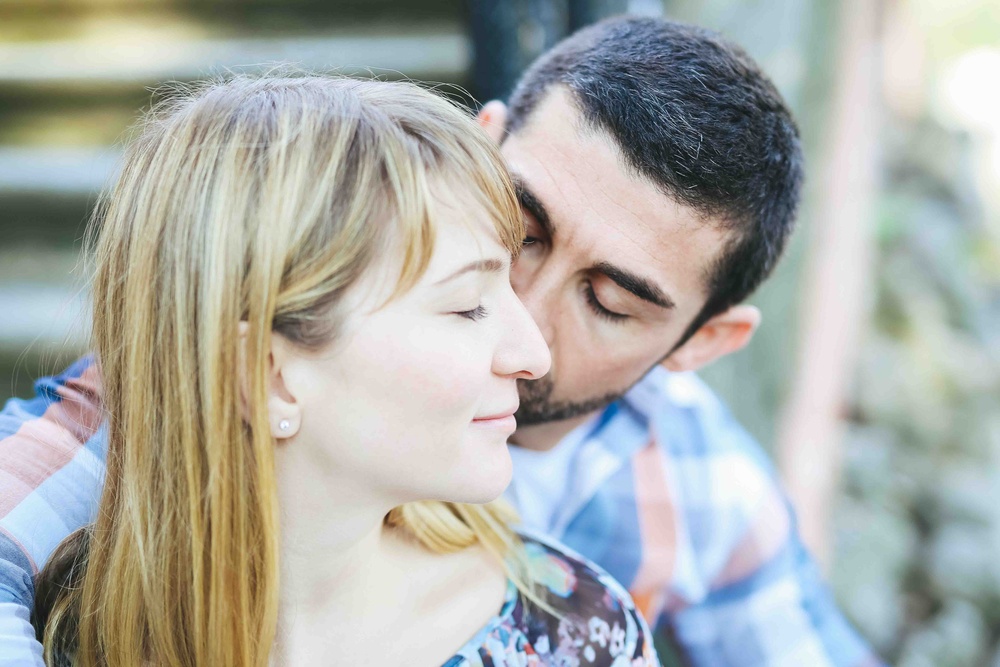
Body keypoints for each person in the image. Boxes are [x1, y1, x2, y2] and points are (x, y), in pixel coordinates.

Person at [0, 15, 883, 667]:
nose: (528, 323)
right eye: (521, 231)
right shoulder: (194, 389)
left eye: (609, 301)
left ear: (704, 339)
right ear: (483, 145)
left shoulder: (695, 491)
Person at [7, 75, 660, 666]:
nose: (533, 353)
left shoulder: (576, 640)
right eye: (467, 307)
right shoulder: (68, 630)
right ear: (267, 375)